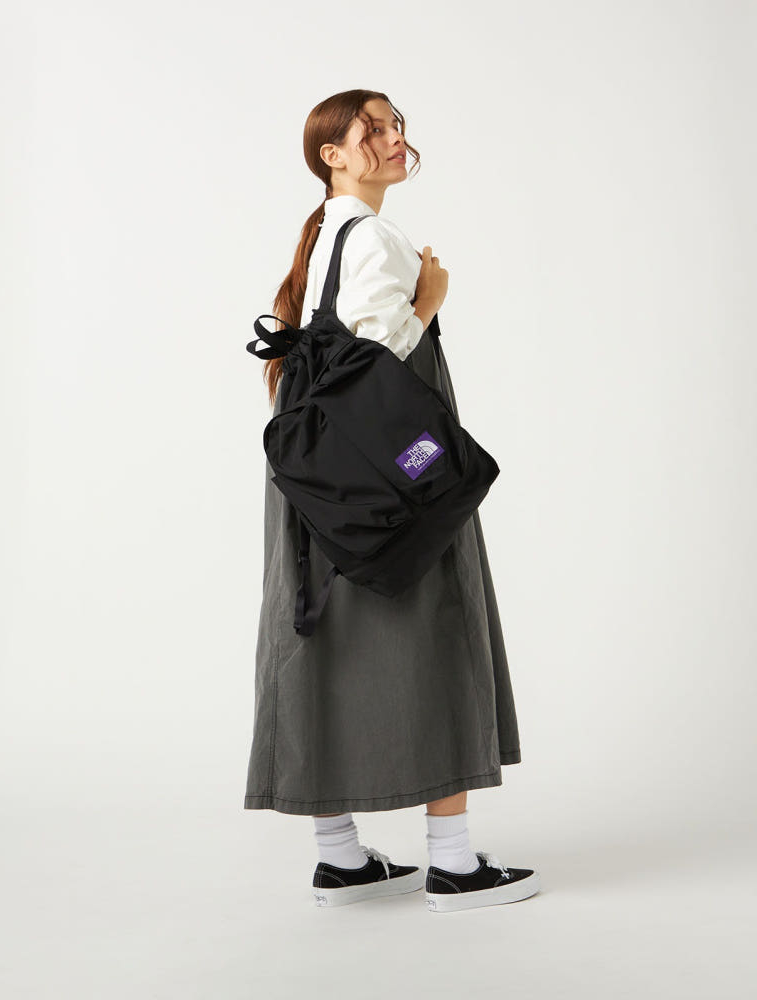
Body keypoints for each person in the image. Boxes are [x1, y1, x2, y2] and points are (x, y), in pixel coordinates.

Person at [244, 89, 539, 913]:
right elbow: (375, 355)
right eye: (371, 129)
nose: (393, 138)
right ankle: (453, 864)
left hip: (328, 485)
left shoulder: (327, 235)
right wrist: (429, 299)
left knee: (324, 643)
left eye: (397, 125)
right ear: (332, 155)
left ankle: (340, 858)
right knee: (437, 629)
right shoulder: (370, 236)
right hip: (389, 479)